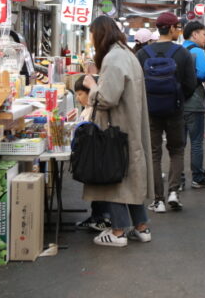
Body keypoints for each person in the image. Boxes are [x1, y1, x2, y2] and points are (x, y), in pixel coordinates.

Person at [81, 16, 154, 247]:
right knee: (130, 175)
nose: (91, 41)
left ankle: (118, 232)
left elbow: (107, 98)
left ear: (100, 34)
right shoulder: (127, 54)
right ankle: (141, 227)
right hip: (130, 125)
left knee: (113, 175)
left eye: (92, 35)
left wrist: (92, 86)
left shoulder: (113, 58)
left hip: (116, 128)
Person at [136, 12, 197, 213]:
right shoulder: (182, 53)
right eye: (177, 27)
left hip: (151, 111)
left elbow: (137, 85)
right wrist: (179, 99)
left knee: (153, 153)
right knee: (177, 150)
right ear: (171, 29)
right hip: (175, 109)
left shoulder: (143, 54)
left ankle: (158, 200)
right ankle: (173, 192)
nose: (178, 31)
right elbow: (191, 83)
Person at [72, 76, 114, 232]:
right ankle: (96, 217)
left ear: (90, 93)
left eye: (80, 94)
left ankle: (103, 217)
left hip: (96, 156)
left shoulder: (95, 111)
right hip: (94, 156)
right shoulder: (89, 110)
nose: (78, 98)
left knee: (99, 188)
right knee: (95, 187)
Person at [182, 21, 205, 188]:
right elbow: (204, 73)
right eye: (203, 34)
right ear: (194, 34)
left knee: (179, 144)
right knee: (196, 142)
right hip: (194, 103)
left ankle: (178, 179)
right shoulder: (197, 52)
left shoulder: (177, 50)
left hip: (177, 103)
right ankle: (198, 177)